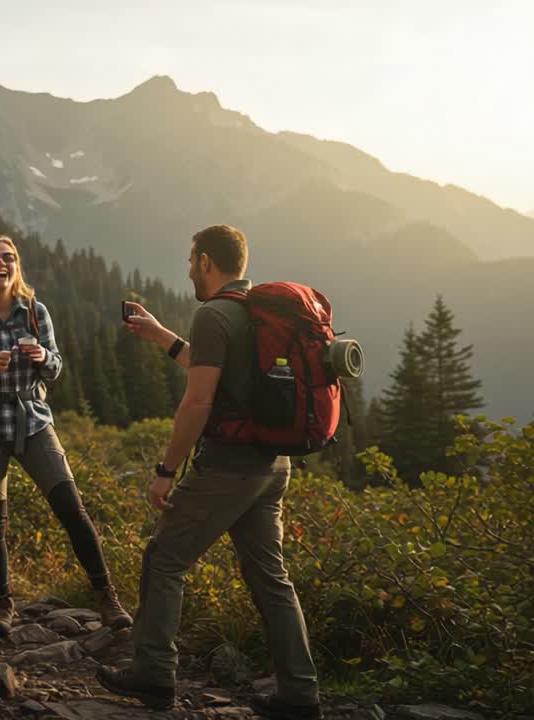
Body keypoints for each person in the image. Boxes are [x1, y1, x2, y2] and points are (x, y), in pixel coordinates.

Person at [98, 225, 321, 719]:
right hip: (272, 467)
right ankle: (299, 694)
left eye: (191, 260)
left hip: (228, 467)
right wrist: (161, 336)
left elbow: (198, 399)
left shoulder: (214, 315)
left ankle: (153, 674)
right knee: (270, 578)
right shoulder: (254, 315)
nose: (188, 270)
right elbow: (219, 377)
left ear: (204, 262)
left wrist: (165, 470)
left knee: (163, 559)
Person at [0, 235, 131, 636]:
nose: (1, 264)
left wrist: (44, 357)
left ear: (16, 266)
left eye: (8, 258)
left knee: (71, 508)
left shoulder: (35, 312)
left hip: (33, 421)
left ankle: (107, 597)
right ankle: (1, 604)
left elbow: (57, 368)